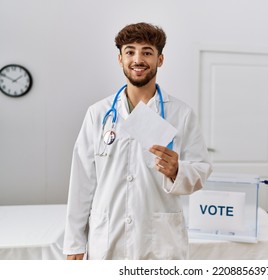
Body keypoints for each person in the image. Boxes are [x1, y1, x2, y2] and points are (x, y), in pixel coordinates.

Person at [63, 22, 212, 260]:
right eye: (130, 51)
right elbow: (82, 182)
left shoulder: (182, 114)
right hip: (108, 238)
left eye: (147, 52)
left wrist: (178, 170)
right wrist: (74, 244)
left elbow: (201, 170)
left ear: (160, 60)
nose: (138, 59)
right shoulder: (98, 113)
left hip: (160, 241)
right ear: (120, 58)